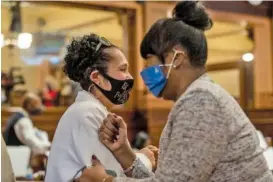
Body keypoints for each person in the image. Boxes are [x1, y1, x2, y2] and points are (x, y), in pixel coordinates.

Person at [76, 1, 273, 182]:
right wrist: (124, 152)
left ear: (176, 58)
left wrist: (105, 180)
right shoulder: (200, 95)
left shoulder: (201, 101)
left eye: (149, 64)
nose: (144, 74)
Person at [45, 34, 157, 182]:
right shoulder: (88, 112)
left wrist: (136, 157)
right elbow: (109, 174)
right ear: (96, 77)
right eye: (123, 69)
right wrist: (144, 160)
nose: (129, 77)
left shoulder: (89, 109)